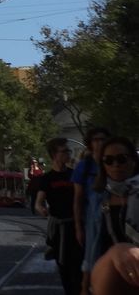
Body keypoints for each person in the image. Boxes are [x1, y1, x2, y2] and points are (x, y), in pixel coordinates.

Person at [36, 137, 83, 295]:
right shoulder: (47, 178)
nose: (68, 154)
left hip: (76, 225)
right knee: (64, 268)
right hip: (58, 228)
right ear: (54, 155)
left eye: (68, 151)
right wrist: (41, 209)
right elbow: (39, 202)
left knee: (78, 268)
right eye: (64, 151)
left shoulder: (75, 174)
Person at [76, 126, 113, 293]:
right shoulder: (84, 166)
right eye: (95, 140)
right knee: (91, 256)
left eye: (102, 139)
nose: (99, 143)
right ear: (90, 143)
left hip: (115, 217)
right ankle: (86, 289)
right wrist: (78, 227)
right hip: (93, 219)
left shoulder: (114, 160)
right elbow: (77, 199)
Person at [91, 137, 139, 262]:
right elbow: (95, 238)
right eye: (108, 160)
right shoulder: (99, 196)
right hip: (111, 268)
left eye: (121, 159)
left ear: (133, 161)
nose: (115, 164)